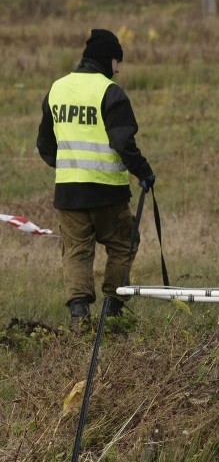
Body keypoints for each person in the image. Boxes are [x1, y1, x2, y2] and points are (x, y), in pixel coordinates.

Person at [36, 28, 155, 330]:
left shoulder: (57, 88)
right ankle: (112, 310)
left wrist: (68, 167)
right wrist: (143, 171)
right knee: (124, 243)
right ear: (108, 60)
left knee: (76, 251)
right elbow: (123, 143)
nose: (119, 69)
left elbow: (45, 146)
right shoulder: (109, 92)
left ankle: (79, 314)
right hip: (107, 192)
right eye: (118, 62)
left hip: (68, 193)